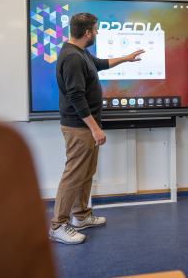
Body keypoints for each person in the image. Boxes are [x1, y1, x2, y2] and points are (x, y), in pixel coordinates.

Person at [49, 13, 144, 244]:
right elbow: (76, 97)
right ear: (88, 33)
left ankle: (80, 217)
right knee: (74, 175)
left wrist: (126, 58)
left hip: (85, 127)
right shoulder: (72, 57)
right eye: (97, 29)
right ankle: (58, 225)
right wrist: (94, 129)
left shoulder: (80, 52)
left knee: (86, 173)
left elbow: (99, 64)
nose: (98, 32)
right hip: (79, 127)